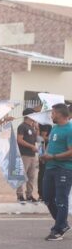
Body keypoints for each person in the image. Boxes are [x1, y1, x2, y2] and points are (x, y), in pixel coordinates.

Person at [40, 103, 72, 241]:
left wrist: (52, 157)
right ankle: (63, 223)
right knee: (47, 197)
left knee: (61, 200)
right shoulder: (54, 128)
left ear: (59, 114)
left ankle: (58, 229)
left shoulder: (70, 129)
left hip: (63, 169)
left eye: (53, 113)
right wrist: (45, 155)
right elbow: (50, 146)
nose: (51, 115)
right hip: (50, 167)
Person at [16, 109, 39, 203]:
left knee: (31, 176)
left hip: (32, 155)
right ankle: (20, 195)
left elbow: (36, 139)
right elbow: (19, 140)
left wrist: (36, 129)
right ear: (28, 115)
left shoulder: (32, 127)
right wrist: (31, 146)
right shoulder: (22, 126)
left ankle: (29, 195)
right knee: (22, 175)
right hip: (24, 154)